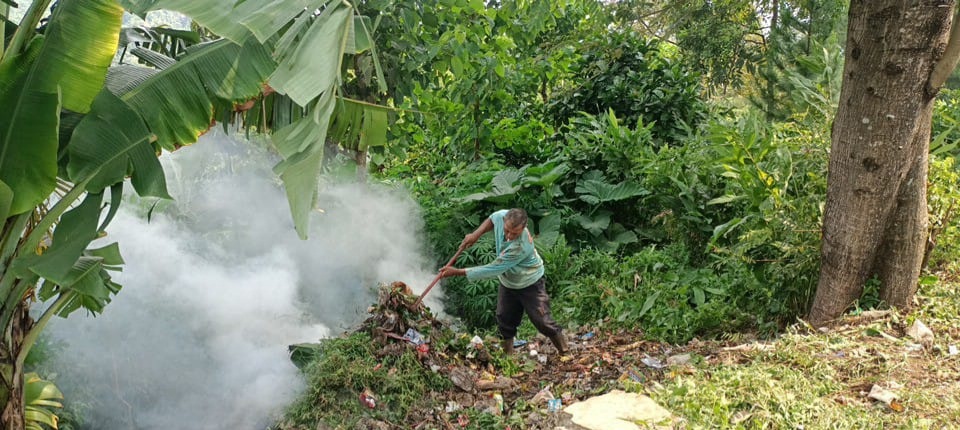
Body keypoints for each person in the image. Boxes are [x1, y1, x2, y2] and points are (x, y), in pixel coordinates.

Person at [438, 208, 568, 354]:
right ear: (505, 221)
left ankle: (564, 350)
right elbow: (492, 218)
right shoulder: (502, 216)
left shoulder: (521, 246)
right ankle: (508, 356)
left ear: (524, 228)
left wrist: (456, 272)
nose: (509, 236)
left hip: (530, 282)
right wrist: (475, 235)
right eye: (507, 230)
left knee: (542, 320)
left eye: (515, 233)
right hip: (509, 282)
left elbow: (494, 268)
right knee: (504, 318)